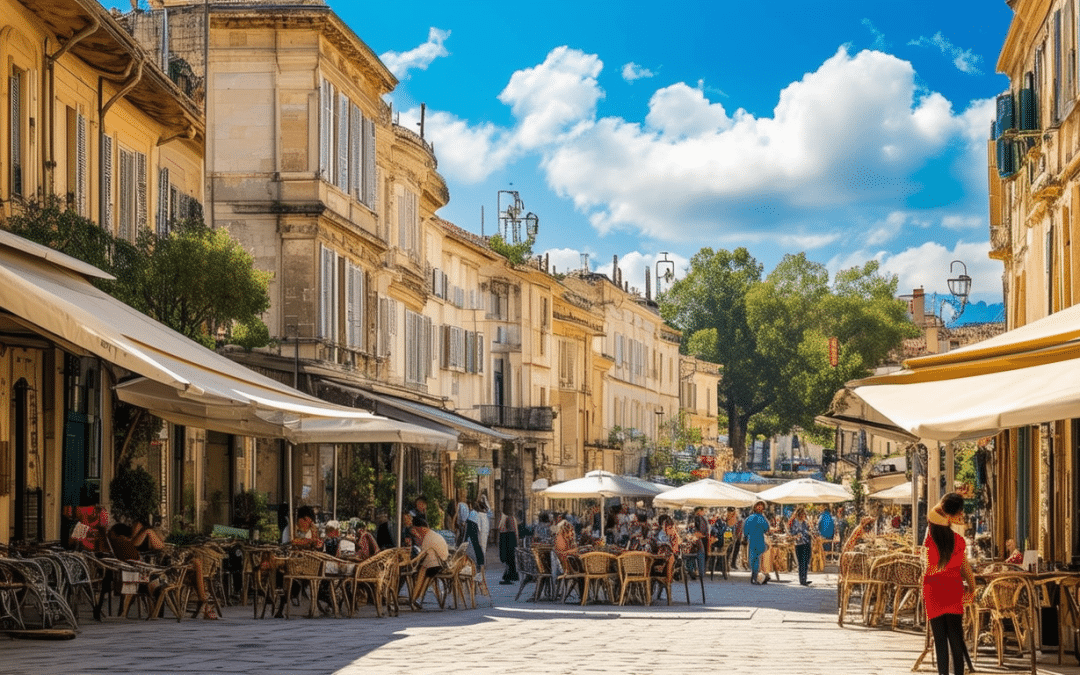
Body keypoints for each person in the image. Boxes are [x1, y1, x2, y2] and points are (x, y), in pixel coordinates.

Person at [923, 493, 977, 675]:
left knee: (939, 640)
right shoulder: (959, 541)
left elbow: (934, 514)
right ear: (953, 515)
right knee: (955, 636)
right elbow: (965, 568)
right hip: (953, 589)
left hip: (932, 590)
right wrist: (972, 587)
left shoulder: (930, 540)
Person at [408, 516, 449, 609]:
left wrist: (417, 536)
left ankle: (415, 598)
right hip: (442, 563)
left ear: (420, 529)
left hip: (436, 566)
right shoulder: (433, 535)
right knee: (423, 571)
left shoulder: (428, 539)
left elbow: (422, 556)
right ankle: (417, 598)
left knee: (421, 571)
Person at [743, 500, 771, 585]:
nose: (759, 507)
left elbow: (745, 531)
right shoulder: (761, 518)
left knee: (754, 559)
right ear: (755, 507)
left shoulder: (750, 518)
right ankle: (758, 576)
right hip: (757, 541)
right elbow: (767, 529)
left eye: (761, 506)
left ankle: (756, 576)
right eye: (758, 505)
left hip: (754, 541)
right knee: (757, 559)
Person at [788, 507, 813, 586]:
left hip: (807, 543)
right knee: (801, 562)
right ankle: (802, 580)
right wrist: (797, 535)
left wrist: (810, 530)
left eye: (804, 514)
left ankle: (804, 578)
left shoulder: (805, 523)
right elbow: (792, 533)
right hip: (799, 544)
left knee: (806, 562)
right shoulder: (794, 523)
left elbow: (809, 531)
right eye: (802, 514)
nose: (804, 515)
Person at [498, 501, 519, 585]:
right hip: (511, 538)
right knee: (510, 558)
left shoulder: (506, 518)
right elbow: (514, 530)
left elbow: (501, 528)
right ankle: (510, 575)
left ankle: (508, 575)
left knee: (508, 558)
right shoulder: (511, 518)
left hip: (507, 537)